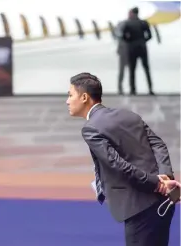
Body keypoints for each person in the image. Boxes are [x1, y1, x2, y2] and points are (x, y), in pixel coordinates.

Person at [66, 72, 175, 246]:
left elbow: (117, 165)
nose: (67, 101)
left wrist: (157, 182)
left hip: (139, 206)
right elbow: (159, 145)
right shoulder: (128, 115)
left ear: (84, 97)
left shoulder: (91, 128)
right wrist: (166, 177)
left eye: (70, 95)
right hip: (164, 201)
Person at [121, 7, 154, 95]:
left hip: (132, 48)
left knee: (132, 70)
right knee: (146, 69)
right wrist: (143, 41)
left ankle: (133, 90)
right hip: (142, 48)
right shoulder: (143, 23)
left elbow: (123, 36)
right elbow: (150, 35)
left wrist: (130, 41)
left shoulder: (127, 24)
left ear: (132, 13)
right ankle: (150, 89)